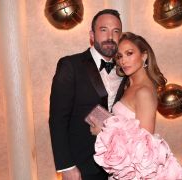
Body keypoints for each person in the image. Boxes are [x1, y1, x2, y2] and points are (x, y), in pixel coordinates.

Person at [90, 32, 182, 179]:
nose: (123, 61)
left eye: (129, 53)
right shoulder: (129, 84)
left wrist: (104, 132)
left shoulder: (143, 92)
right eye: (119, 56)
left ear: (144, 56)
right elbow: (129, 125)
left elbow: (145, 149)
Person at [49, 9, 127, 180]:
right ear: (92, 35)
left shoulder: (125, 69)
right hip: (81, 166)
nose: (110, 36)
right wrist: (66, 166)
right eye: (103, 30)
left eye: (116, 31)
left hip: (117, 168)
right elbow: (57, 119)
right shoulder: (70, 65)